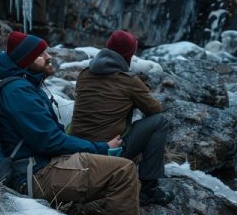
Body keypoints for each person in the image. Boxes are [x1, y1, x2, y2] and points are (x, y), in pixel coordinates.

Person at [0, 31, 140, 215]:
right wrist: (101, 147)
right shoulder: (19, 92)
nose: (49, 56)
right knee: (123, 171)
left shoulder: (25, 86)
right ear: (25, 61)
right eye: (41, 54)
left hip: (41, 164)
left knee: (115, 170)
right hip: (35, 174)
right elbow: (50, 142)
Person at [70, 30, 174, 206]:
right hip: (109, 151)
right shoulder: (130, 81)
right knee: (159, 122)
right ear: (129, 55)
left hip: (77, 149)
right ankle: (149, 188)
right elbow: (154, 109)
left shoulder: (85, 74)